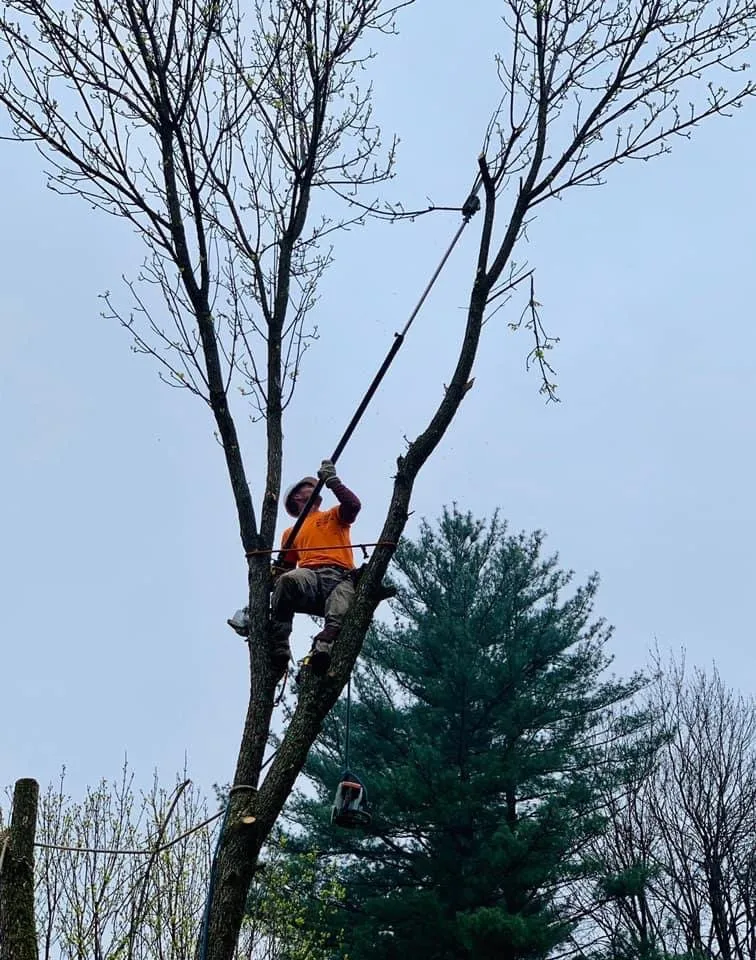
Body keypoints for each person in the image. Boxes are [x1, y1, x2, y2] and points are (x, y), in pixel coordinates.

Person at [228, 460, 360, 675]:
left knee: (339, 611)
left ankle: (321, 652)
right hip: (311, 578)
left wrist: (333, 481)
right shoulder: (290, 533)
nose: (315, 486)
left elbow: (353, 506)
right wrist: (272, 577)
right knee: (287, 582)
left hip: (341, 576)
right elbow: (286, 573)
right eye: (309, 485)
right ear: (297, 497)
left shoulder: (333, 515)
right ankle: (280, 647)